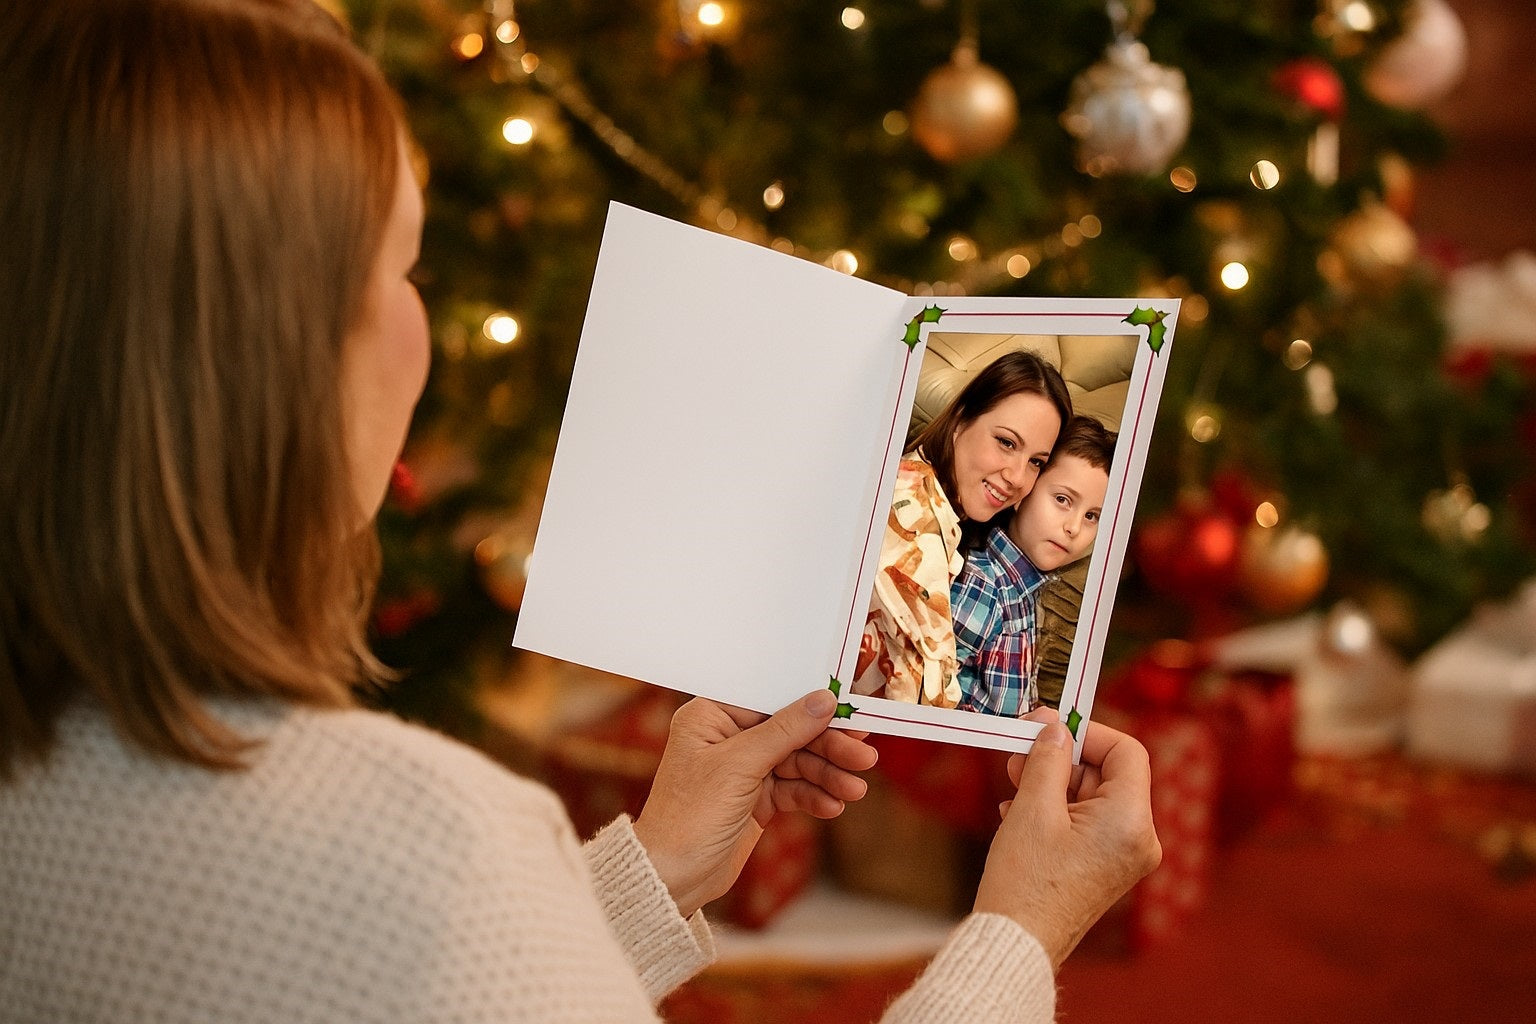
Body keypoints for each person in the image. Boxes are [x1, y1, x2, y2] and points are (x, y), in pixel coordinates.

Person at [0, 3, 1160, 1022]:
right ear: (264, 362)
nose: (422, 324)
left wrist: (650, 871)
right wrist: (1018, 935)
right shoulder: (421, 848)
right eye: (405, 268)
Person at [852, 351, 1072, 708]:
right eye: (1006, 442)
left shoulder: (955, 525)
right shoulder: (910, 517)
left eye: (1036, 462)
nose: (1017, 477)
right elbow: (920, 708)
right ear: (959, 421)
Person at [953, 416, 1116, 717]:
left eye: (1092, 516)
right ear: (1025, 490)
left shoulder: (1025, 593)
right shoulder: (982, 587)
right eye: (1063, 499)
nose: (1074, 527)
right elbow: (928, 702)